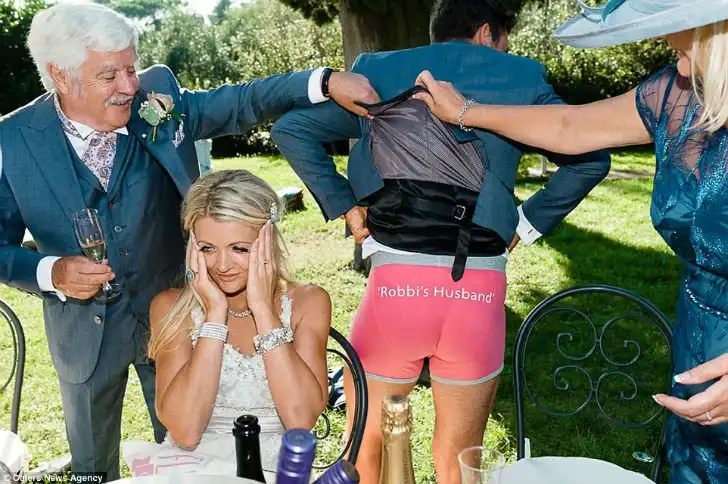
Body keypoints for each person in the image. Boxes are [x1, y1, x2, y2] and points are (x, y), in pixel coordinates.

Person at [0, 3, 372, 480]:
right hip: (83, 331)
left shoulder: (157, 97)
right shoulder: (12, 141)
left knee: (183, 444)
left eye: (131, 68)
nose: (129, 86)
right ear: (60, 75)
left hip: (179, 308)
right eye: (109, 75)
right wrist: (49, 271)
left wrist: (323, 81)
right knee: (91, 466)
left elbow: (242, 102)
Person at [270, 1, 611, 482]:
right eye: (504, 41)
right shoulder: (523, 78)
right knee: (460, 461)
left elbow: (292, 129)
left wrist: (346, 204)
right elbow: (592, 158)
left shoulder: (379, 72)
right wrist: (526, 222)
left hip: (394, 290)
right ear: (487, 32)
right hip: (478, 294)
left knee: (366, 450)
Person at [413, 1, 728, 482]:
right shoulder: (676, 94)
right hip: (698, 339)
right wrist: (465, 112)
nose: (680, 67)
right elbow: (570, 126)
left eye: (688, 51)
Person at [121, 169, 331, 479]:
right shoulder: (170, 308)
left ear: (268, 243)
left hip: (276, 471)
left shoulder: (308, 303)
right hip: (194, 470)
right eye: (207, 248)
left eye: (239, 248)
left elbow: (300, 421)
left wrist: (263, 309)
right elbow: (186, 431)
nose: (221, 265)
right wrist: (214, 315)